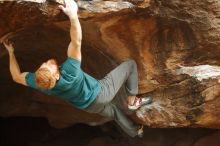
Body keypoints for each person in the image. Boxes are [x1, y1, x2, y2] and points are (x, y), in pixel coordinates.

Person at [2, 0, 152, 137]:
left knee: (113, 111)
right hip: (100, 93)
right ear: (56, 76)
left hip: (88, 107)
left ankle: (135, 131)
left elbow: (16, 77)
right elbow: (76, 41)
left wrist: (11, 52)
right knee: (130, 65)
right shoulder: (70, 72)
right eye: (50, 66)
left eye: (44, 65)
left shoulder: (42, 83)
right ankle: (132, 102)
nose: (47, 61)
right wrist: (73, 15)